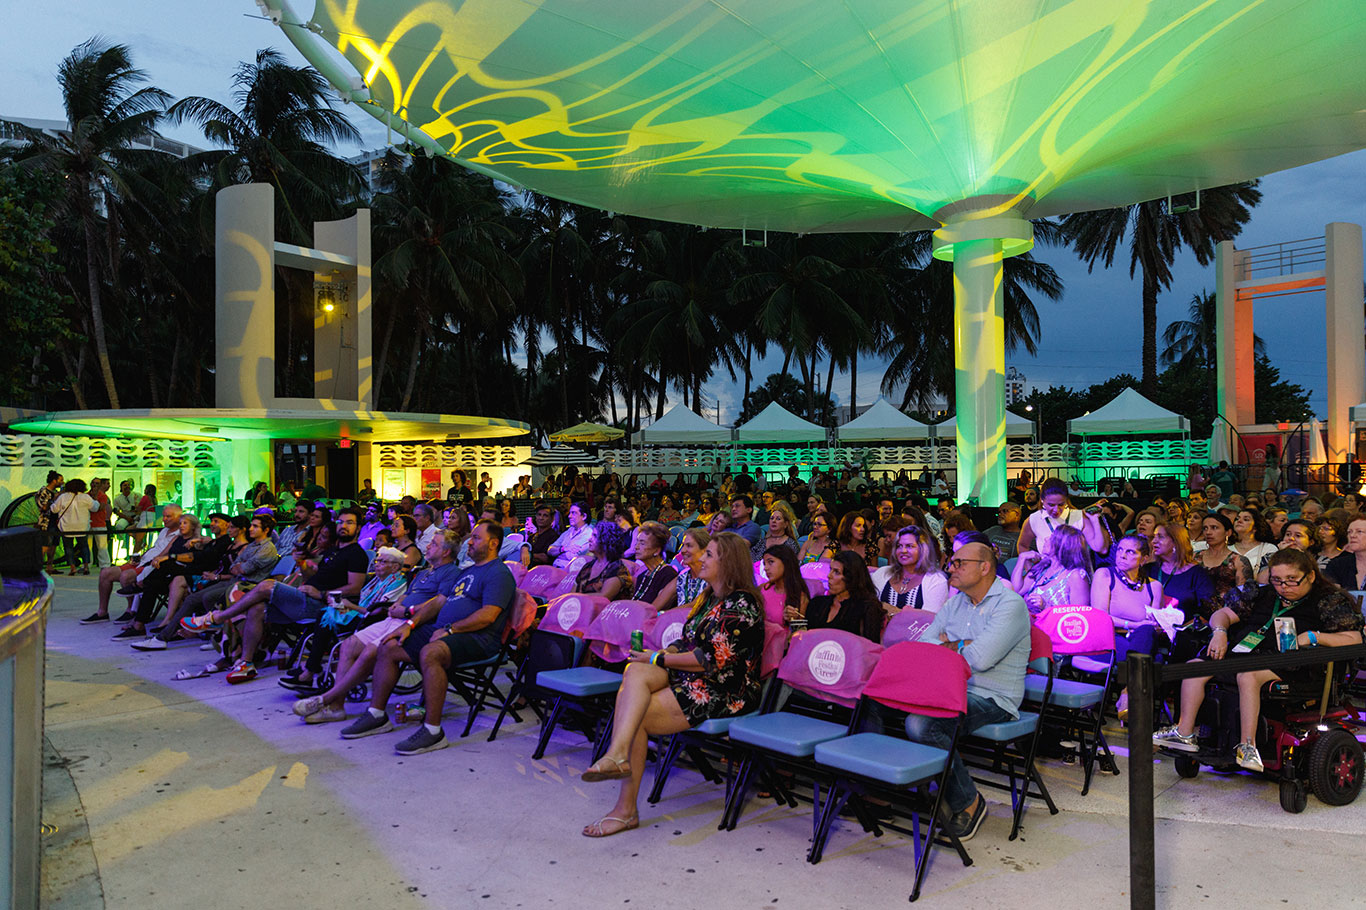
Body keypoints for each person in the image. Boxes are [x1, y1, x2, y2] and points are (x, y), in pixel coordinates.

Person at [579, 532, 764, 837]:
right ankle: (618, 754)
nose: (701, 558)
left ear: (728, 563)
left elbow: (709, 660)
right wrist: (660, 654)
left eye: (709, 554)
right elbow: (687, 640)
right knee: (636, 670)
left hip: (725, 689)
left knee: (636, 713)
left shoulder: (743, 604)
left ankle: (625, 808)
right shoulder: (708, 596)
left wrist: (659, 658)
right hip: (694, 676)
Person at [1155, 549, 1364, 770]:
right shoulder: (1262, 595)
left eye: (1292, 579)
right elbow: (1222, 614)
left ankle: (1248, 746)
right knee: (1194, 668)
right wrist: (1219, 632)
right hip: (1245, 655)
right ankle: (1184, 733)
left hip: (1295, 664)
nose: (1284, 586)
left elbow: (1354, 638)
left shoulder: (1327, 601)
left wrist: (1314, 637)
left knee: (1248, 676)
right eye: (1277, 580)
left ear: (1310, 576)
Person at [340, 521, 516, 754]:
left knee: (430, 653)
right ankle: (376, 714)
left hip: (477, 638)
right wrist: (410, 624)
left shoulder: (498, 573)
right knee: (389, 644)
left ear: (493, 544)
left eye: (476, 538)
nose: (470, 542)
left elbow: (488, 616)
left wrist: (451, 629)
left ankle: (433, 731)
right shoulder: (468, 571)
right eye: (471, 537)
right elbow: (439, 602)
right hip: (444, 630)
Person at [909, 541, 1031, 841]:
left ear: (984, 567)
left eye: (959, 563)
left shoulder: (1010, 604)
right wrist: (962, 644)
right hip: (948, 689)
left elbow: (981, 659)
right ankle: (881, 791)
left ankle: (968, 801)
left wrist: (949, 644)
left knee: (922, 724)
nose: (951, 568)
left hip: (992, 696)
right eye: (951, 562)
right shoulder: (956, 603)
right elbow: (925, 645)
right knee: (877, 702)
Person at [181, 509, 368, 684]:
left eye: (349, 523)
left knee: (266, 585)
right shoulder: (333, 551)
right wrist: (302, 564)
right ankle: (246, 663)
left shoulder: (356, 554)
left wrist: (321, 593)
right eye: (341, 522)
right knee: (256, 608)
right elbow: (312, 578)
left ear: (358, 527)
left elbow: (355, 588)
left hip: (325, 605)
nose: (344, 526)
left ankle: (217, 618)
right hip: (306, 597)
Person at [289, 547, 411, 720]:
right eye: (377, 561)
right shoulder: (375, 581)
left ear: (395, 566)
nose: (377, 565)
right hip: (361, 614)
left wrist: (349, 606)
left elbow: (377, 611)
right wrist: (341, 604)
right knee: (326, 612)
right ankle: (312, 668)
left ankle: (312, 669)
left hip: (374, 620)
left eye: (383, 562)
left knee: (325, 617)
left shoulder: (398, 583)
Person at [138, 514, 279, 650]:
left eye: (255, 526)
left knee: (202, 595)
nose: (251, 529)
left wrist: (236, 568)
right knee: (191, 596)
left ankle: (208, 633)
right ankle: (165, 636)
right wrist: (238, 567)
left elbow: (243, 568)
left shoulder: (266, 549)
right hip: (233, 581)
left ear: (266, 530)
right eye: (251, 525)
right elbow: (234, 567)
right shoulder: (252, 546)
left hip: (245, 586)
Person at [1092, 532, 1165, 719]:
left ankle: (1127, 692)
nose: (1122, 555)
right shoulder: (1105, 574)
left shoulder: (1154, 587)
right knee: (1154, 660)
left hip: (1139, 640)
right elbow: (1100, 616)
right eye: (1120, 550)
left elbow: (1152, 624)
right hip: (1109, 639)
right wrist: (1134, 624)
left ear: (1144, 559)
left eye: (1130, 552)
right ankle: (1133, 701)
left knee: (1147, 631)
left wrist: (1159, 625)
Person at [82, 504, 183, 625]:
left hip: (155, 565)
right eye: (164, 516)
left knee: (126, 576)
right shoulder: (164, 530)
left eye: (168, 516)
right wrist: (140, 556)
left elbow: (167, 553)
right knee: (105, 573)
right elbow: (155, 548)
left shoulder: (181, 534)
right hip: (144, 561)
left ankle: (132, 610)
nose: (164, 519)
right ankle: (102, 612)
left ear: (179, 517)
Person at [1011, 525, 1092, 613]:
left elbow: (1079, 616)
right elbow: (1017, 590)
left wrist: (1046, 606)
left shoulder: (1076, 576)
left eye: (1052, 538)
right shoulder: (1043, 567)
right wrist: (1021, 558)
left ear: (1063, 546)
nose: (1046, 539)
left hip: (1054, 622)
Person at [1017, 477, 1109, 555]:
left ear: (1066, 499)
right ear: (1042, 499)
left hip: (1075, 569)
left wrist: (1095, 521)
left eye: (1061, 504)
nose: (1056, 510)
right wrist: (1029, 568)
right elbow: (1022, 546)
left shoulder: (1078, 516)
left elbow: (1101, 549)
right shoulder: (1034, 519)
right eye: (1051, 505)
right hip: (1048, 569)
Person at [871, 524, 950, 615]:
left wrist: (896, 612)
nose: (903, 550)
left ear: (923, 549)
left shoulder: (936, 580)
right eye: (899, 546)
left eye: (909, 546)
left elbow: (930, 619)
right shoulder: (882, 573)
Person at [804, 551, 882, 642]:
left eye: (836, 572)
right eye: (831, 570)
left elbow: (870, 646)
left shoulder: (867, 607)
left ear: (851, 577)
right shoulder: (816, 604)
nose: (829, 576)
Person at [1150, 523, 1215, 621]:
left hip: (1183, 628)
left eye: (1160, 537)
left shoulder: (1196, 574)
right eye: (1154, 536)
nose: (1154, 541)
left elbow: (1208, 612)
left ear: (1176, 542)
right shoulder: (1149, 569)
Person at [653, 528, 710, 611]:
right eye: (683, 545)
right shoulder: (682, 578)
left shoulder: (711, 577)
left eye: (689, 546)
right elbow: (656, 606)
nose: (682, 550)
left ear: (704, 550)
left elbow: (695, 605)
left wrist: (664, 614)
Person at [573, 522, 633, 599]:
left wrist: (576, 597)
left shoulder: (617, 568)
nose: (589, 539)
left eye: (595, 536)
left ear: (607, 541)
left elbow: (604, 597)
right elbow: (572, 593)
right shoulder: (587, 567)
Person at [50, 478, 99, 575]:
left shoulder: (63, 497)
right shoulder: (85, 497)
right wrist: (96, 500)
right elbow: (95, 508)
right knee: (84, 546)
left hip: (66, 526)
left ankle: (72, 568)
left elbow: (54, 509)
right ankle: (86, 567)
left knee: (68, 547)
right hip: (82, 526)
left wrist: (53, 501)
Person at [626, 522, 678, 603]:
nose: (636, 547)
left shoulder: (668, 575)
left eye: (642, 543)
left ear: (657, 550)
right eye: (637, 542)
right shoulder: (642, 575)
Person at [759, 544, 807, 626]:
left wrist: (795, 619)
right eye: (764, 564)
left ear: (786, 563)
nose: (765, 568)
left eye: (771, 562)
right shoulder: (762, 589)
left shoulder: (801, 597)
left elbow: (800, 630)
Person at [1231, 508, 1277, 576]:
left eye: (1246, 519)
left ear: (1255, 527)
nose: (1239, 521)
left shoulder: (1268, 548)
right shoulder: (1227, 547)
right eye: (1237, 519)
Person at [547, 502, 594, 568]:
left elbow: (572, 556)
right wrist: (563, 548)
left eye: (573, 513)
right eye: (570, 513)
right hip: (556, 568)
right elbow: (550, 550)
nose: (569, 516)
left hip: (571, 572)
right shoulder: (569, 531)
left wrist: (558, 552)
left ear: (584, 516)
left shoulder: (589, 533)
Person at [34, 471, 63, 573]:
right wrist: (53, 499)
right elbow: (43, 507)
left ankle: (49, 566)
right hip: (46, 522)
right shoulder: (43, 492)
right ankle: (39, 567)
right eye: (60, 480)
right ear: (54, 481)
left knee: (54, 544)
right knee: (45, 544)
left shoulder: (56, 492)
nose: (62, 482)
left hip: (56, 521)